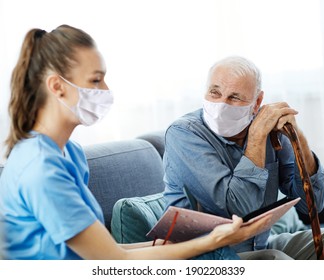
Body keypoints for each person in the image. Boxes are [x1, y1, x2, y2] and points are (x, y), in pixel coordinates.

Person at [0, 25, 291, 260]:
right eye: (96, 80)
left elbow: (105, 252)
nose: (106, 90)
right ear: (57, 87)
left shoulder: (69, 154)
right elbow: (114, 264)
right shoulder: (40, 169)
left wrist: (158, 248)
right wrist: (215, 239)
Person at [163, 55, 324, 260]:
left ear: (257, 102)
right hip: (208, 256)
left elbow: (312, 205)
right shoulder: (184, 134)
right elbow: (238, 210)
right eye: (215, 92)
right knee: (278, 261)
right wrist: (256, 137)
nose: (221, 105)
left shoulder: (268, 129)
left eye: (234, 97)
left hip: (260, 247)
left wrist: (297, 136)